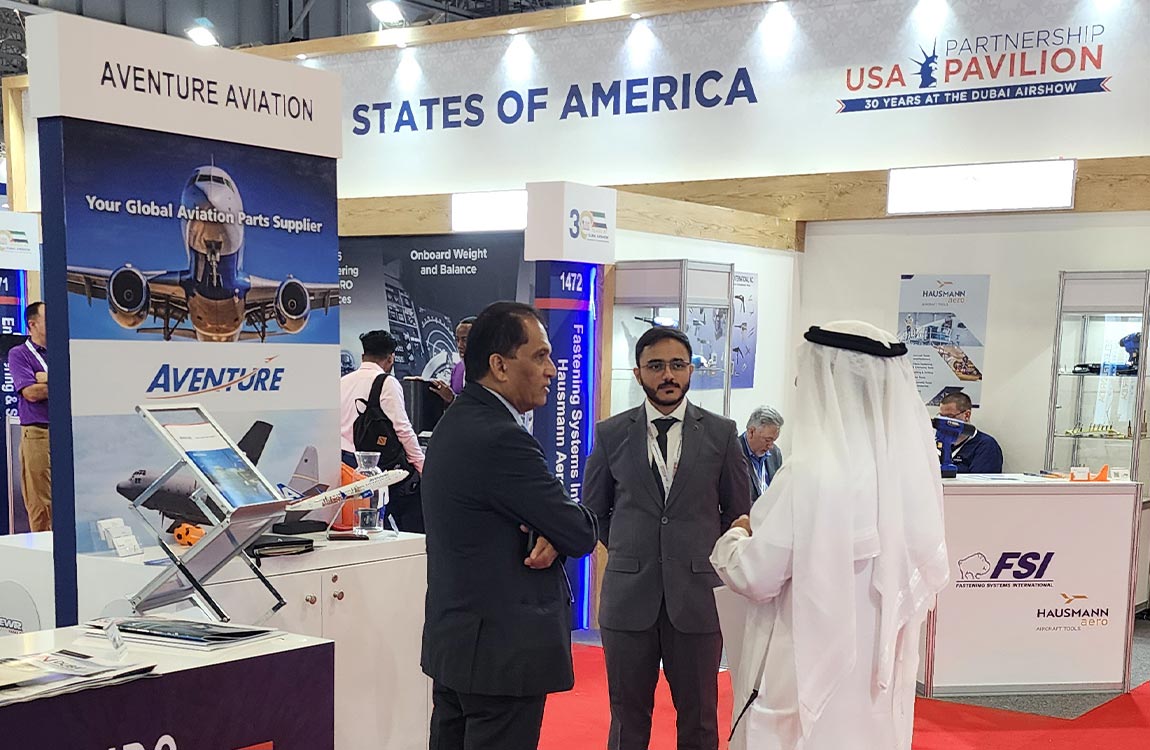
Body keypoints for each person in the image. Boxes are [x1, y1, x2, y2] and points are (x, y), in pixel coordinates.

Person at [710, 321, 948, 750]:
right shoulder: (908, 475)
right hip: (875, 685)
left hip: (806, 675)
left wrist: (734, 538)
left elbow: (756, 576)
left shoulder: (810, 474)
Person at [421, 301, 598, 750]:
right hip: (502, 653)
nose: (552, 371)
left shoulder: (456, 421)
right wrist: (556, 530)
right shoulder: (503, 437)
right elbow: (579, 531)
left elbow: (507, 515)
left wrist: (547, 529)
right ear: (499, 365)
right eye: (539, 356)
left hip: (459, 645)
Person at [584, 326, 751, 750]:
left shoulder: (720, 432)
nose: (668, 375)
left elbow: (738, 514)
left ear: (691, 371)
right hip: (628, 596)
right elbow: (593, 511)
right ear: (638, 373)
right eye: (656, 366)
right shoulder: (611, 433)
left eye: (677, 365)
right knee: (627, 718)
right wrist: (630, 549)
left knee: (699, 719)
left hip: (697, 597)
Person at [339, 329, 425, 530]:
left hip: (345, 465)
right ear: (391, 358)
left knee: (362, 524)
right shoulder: (386, 382)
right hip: (375, 466)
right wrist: (421, 465)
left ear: (363, 356)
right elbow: (402, 428)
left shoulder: (342, 382)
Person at [8, 302, 51, 532]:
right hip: (38, 433)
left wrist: (45, 378)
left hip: (65, 433)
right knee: (40, 503)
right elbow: (31, 393)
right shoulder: (19, 354)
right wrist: (57, 381)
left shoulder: (63, 351)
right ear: (32, 324)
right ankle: (46, 556)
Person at [938, 392, 1003, 473]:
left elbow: (980, 483)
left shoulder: (985, 446)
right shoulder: (939, 443)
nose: (944, 422)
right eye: (941, 416)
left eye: (950, 417)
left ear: (966, 415)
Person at [740, 405, 784, 502]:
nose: (770, 446)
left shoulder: (775, 453)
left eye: (774, 441)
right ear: (751, 432)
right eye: (768, 440)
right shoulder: (734, 453)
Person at [430, 316, 475, 405]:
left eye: (464, 340)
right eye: (457, 340)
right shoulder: (457, 369)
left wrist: (452, 398)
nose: (459, 345)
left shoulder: (489, 370)